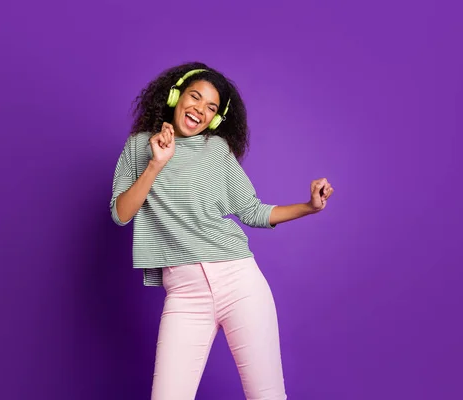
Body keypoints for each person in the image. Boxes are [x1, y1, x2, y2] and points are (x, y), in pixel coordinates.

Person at [109, 62, 333, 400]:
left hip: (239, 280)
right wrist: (156, 163)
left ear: (215, 118)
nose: (199, 110)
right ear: (175, 96)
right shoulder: (140, 146)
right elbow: (121, 214)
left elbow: (253, 211)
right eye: (194, 97)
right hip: (184, 294)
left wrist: (309, 206)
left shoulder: (217, 151)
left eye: (210, 107)